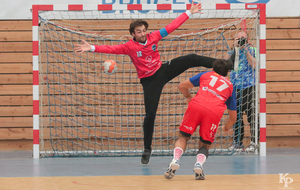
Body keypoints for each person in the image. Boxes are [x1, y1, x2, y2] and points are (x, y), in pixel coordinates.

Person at [74, 1, 238, 164]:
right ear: (133, 34)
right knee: (150, 116)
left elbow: (172, 26)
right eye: (139, 32)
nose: (143, 33)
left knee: (191, 58)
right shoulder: (129, 47)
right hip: (149, 81)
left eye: (144, 30)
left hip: (162, 70)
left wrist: (189, 12)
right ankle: (147, 149)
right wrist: (92, 48)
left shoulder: (154, 37)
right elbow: (112, 49)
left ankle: (227, 64)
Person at [164, 59, 237, 180]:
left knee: (183, 136)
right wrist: (226, 127)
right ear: (227, 72)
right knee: (205, 143)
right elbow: (233, 117)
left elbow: (181, 85)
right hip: (214, 111)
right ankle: (198, 165)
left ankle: (175, 160)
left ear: (214, 68)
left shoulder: (206, 74)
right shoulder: (230, 86)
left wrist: (188, 96)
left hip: (196, 105)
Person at [226, 31, 259, 151]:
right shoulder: (232, 51)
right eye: (238, 38)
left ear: (247, 39)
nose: (240, 41)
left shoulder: (253, 50)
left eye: (242, 39)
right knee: (236, 116)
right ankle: (237, 143)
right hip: (235, 88)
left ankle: (254, 142)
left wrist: (245, 50)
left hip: (249, 87)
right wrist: (234, 48)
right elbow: (224, 65)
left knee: (252, 116)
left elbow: (255, 64)